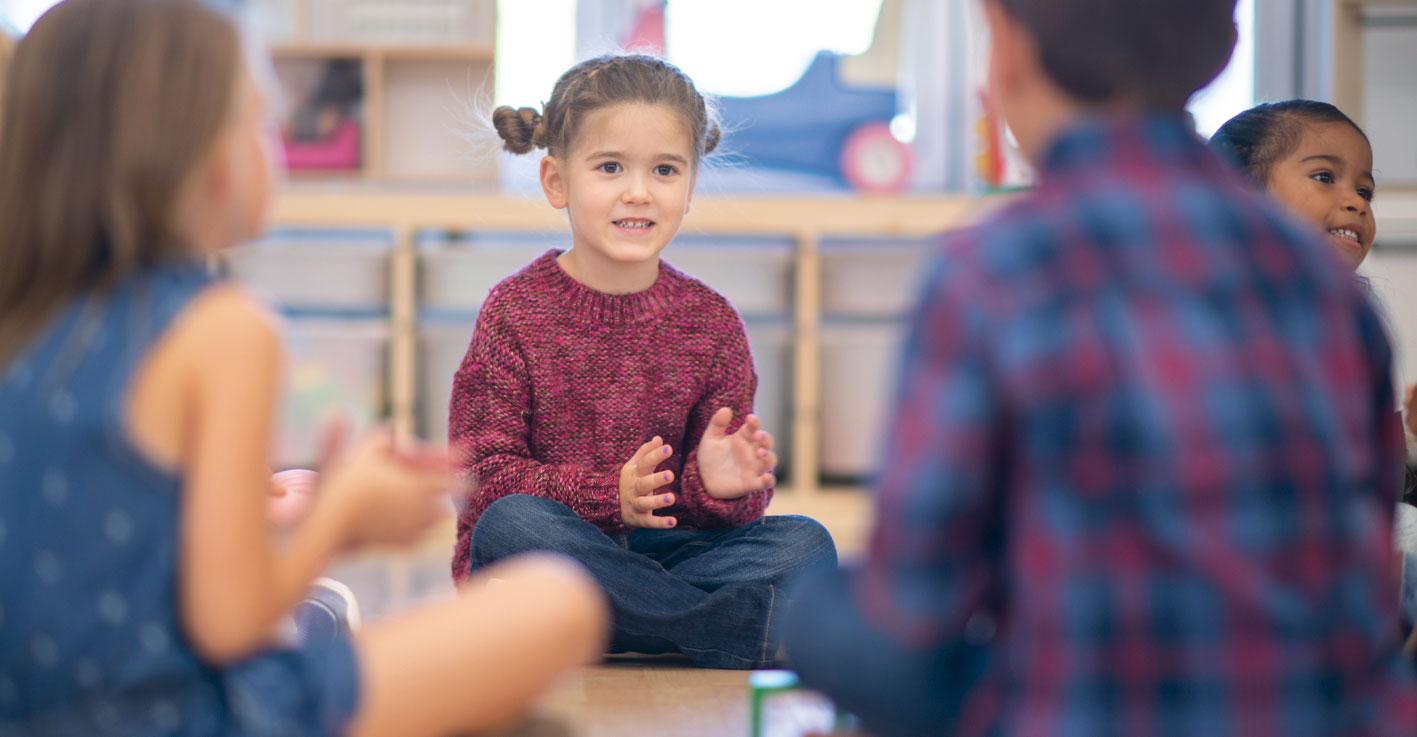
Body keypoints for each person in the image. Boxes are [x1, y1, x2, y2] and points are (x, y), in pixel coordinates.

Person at [782, 1, 1417, 735]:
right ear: (1220, 50)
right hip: (1307, 709)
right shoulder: (1325, 289)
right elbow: (1364, 579)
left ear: (1008, 53)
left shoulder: (994, 268)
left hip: (1080, 706)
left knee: (824, 611)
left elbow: (915, 601)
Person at [0, 2, 606, 735]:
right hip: (185, 713)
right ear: (193, 155)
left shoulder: (28, 306)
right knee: (557, 601)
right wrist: (337, 516)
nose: (275, 142)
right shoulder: (223, 327)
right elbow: (228, 622)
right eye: (259, 117)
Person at [452, 53, 837, 669]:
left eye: (664, 169)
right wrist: (611, 496)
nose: (638, 191)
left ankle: (617, 624)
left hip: (664, 558)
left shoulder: (712, 324)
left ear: (689, 186)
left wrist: (715, 487)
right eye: (609, 167)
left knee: (804, 544)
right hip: (557, 554)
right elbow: (482, 478)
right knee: (511, 524)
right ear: (556, 181)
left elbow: (723, 522)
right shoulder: (512, 312)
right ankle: (734, 630)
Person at [1211, 99, 1417, 653]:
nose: (1354, 201)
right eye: (1325, 177)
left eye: (1366, 191)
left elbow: (1377, 468)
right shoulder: (1220, 322)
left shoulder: (1353, 325)